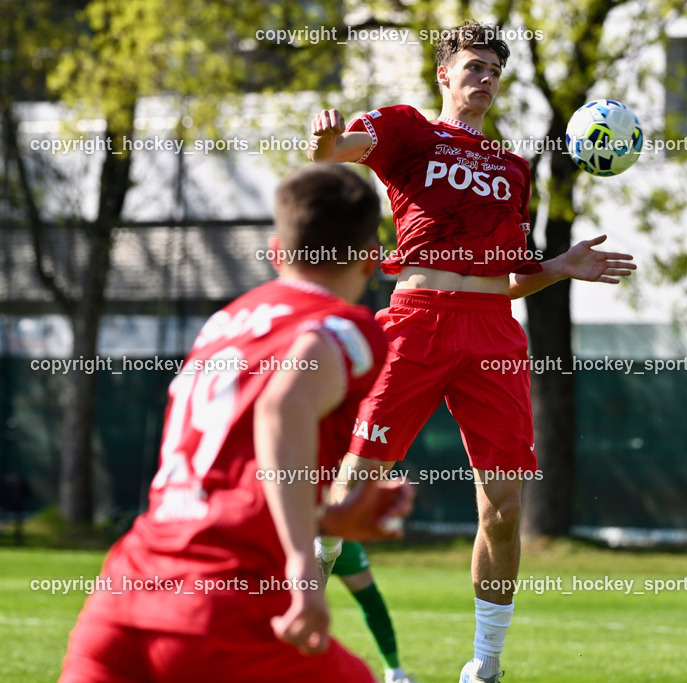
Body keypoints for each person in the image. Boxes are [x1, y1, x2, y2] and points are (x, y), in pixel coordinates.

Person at [308, 19, 635, 683]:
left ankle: (486, 661)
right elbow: (336, 151)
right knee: (353, 482)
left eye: (493, 70)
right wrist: (322, 141)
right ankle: (292, 632)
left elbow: (514, 275)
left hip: (493, 330)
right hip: (417, 321)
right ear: (445, 75)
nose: (484, 79)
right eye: (473, 67)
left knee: (504, 506)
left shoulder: (515, 168)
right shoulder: (407, 128)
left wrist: (562, 264)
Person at [60, 164, 414, 683]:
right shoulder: (348, 327)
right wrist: (302, 563)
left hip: (123, 599)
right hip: (223, 604)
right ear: (370, 260)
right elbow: (281, 408)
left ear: (276, 252)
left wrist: (325, 518)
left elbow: (229, 474)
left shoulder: (226, 321)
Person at [330, 541, 415, 683]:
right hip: (299, 542)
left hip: (337, 539)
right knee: (295, 606)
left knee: (372, 601)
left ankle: (395, 673)